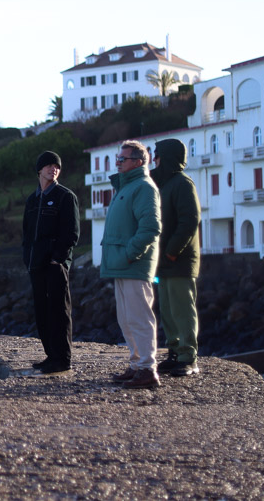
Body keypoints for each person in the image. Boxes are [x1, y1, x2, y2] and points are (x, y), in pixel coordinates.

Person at [101, 140, 162, 389]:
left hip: (133, 264)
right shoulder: (126, 187)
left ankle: (148, 368)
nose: (117, 163)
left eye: (122, 159)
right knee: (126, 318)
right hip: (122, 264)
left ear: (138, 162)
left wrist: (129, 254)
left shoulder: (144, 187)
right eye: (117, 159)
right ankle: (137, 365)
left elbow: (150, 228)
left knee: (139, 317)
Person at [22, 150, 80, 374]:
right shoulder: (32, 200)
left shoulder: (66, 196)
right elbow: (27, 234)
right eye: (48, 165)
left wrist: (58, 259)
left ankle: (62, 359)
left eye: (56, 166)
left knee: (59, 311)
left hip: (56, 266)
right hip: (35, 264)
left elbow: (71, 233)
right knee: (42, 311)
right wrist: (27, 257)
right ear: (39, 169)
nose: (53, 169)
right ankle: (50, 355)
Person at [150, 138, 201, 377]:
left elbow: (189, 220)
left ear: (167, 157)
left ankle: (188, 356)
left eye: (157, 155)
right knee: (168, 309)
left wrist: (171, 251)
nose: (154, 159)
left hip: (179, 261)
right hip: (165, 262)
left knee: (182, 308)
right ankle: (174, 351)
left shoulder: (182, 183)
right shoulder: (165, 183)